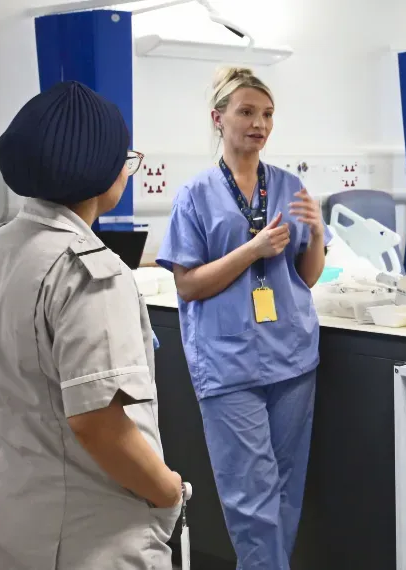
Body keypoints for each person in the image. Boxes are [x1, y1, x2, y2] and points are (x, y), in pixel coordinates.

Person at [0, 81, 183, 569]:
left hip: (9, 523)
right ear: (100, 168)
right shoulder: (90, 270)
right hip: (92, 537)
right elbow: (98, 424)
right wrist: (168, 493)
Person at [157, 67, 329, 569]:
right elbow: (187, 283)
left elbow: (308, 276)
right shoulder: (196, 194)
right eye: (247, 112)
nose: (260, 124)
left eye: (268, 114)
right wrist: (252, 251)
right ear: (219, 119)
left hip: (292, 355)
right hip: (228, 361)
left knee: (285, 489)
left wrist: (316, 234)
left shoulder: (289, 186)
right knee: (249, 495)